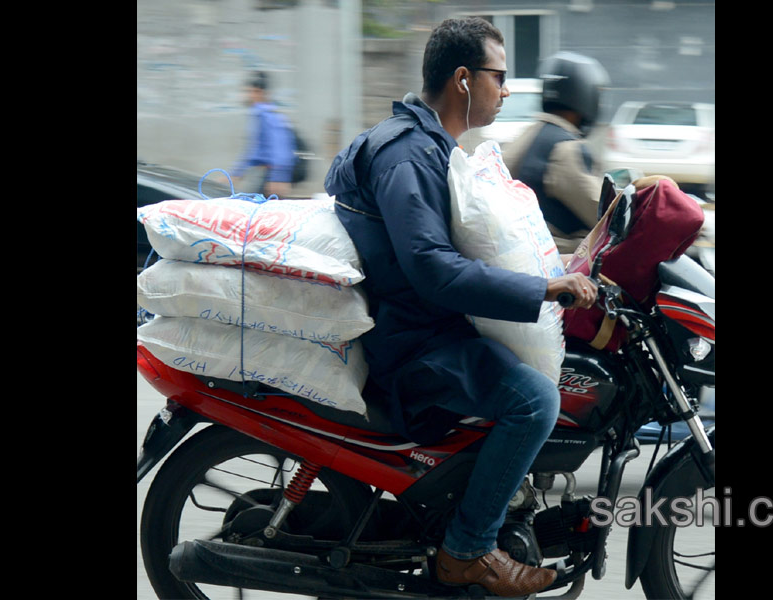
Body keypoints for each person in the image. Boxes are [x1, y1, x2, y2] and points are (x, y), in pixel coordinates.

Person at [323, 17, 597, 598]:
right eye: (500, 77)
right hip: (412, 344)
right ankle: (467, 550)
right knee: (535, 399)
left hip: (424, 325)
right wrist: (542, 291)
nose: (506, 90)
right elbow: (432, 268)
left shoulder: (429, 145)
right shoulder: (409, 156)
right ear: (464, 80)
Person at [502, 51, 610, 256]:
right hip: (558, 265)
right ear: (586, 95)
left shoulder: (524, 137)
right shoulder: (567, 148)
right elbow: (603, 214)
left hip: (521, 255)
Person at [231, 71, 296, 197]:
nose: (248, 95)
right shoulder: (259, 113)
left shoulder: (267, 115)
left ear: (260, 93)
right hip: (264, 174)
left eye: (250, 91)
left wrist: (278, 177)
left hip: (271, 176)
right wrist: (236, 173)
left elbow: (281, 146)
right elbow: (252, 151)